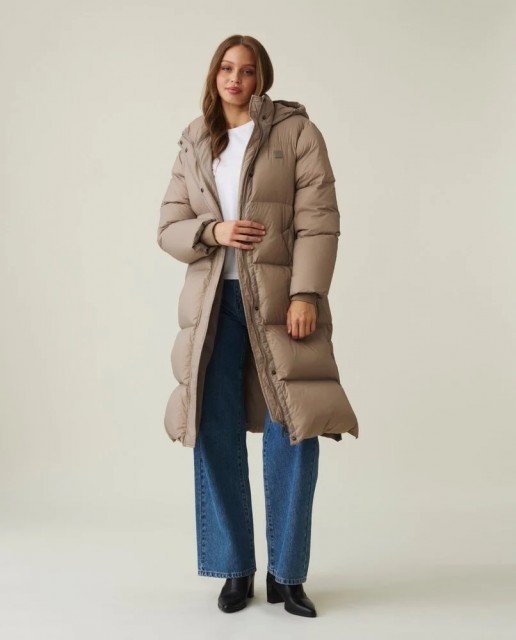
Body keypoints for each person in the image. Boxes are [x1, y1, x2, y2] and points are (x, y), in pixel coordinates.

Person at [157, 34, 359, 617]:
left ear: (261, 77)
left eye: (246, 70)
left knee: (293, 429)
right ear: (214, 75)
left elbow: (319, 219)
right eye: (226, 68)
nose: (235, 79)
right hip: (212, 305)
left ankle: (288, 575)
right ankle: (235, 569)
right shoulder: (196, 138)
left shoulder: (296, 133)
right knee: (213, 428)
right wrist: (212, 232)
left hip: (278, 302)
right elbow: (168, 226)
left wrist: (306, 293)